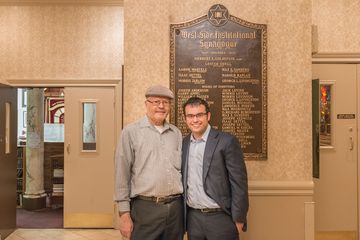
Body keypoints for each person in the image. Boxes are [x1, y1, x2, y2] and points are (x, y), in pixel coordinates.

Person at [114, 85, 184, 240]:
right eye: (156, 101)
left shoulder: (176, 134)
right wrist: (124, 214)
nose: (161, 106)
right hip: (145, 209)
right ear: (146, 104)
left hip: (175, 210)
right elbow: (122, 174)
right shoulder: (130, 132)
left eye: (165, 102)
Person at [182, 96, 249, 240]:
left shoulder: (226, 141)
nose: (195, 120)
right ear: (185, 118)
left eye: (199, 115)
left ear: (208, 116)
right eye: (190, 116)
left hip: (221, 218)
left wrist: (239, 219)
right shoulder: (184, 143)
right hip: (193, 219)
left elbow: (239, 183)